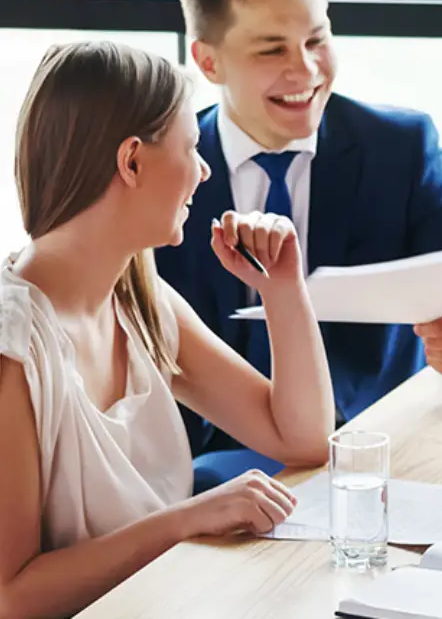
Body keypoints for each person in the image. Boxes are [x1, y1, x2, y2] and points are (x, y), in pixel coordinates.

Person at [155, 0, 442, 490]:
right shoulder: (166, 169)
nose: (306, 70)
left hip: (379, 460)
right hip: (206, 476)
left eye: (317, 39)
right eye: (272, 49)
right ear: (208, 62)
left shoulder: (399, 148)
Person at [0, 41, 334, 617]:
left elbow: (300, 436)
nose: (204, 171)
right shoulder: (15, 349)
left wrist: (282, 288)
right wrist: (188, 519)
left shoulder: (141, 300)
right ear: (131, 162)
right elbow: (12, 596)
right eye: (192, 147)